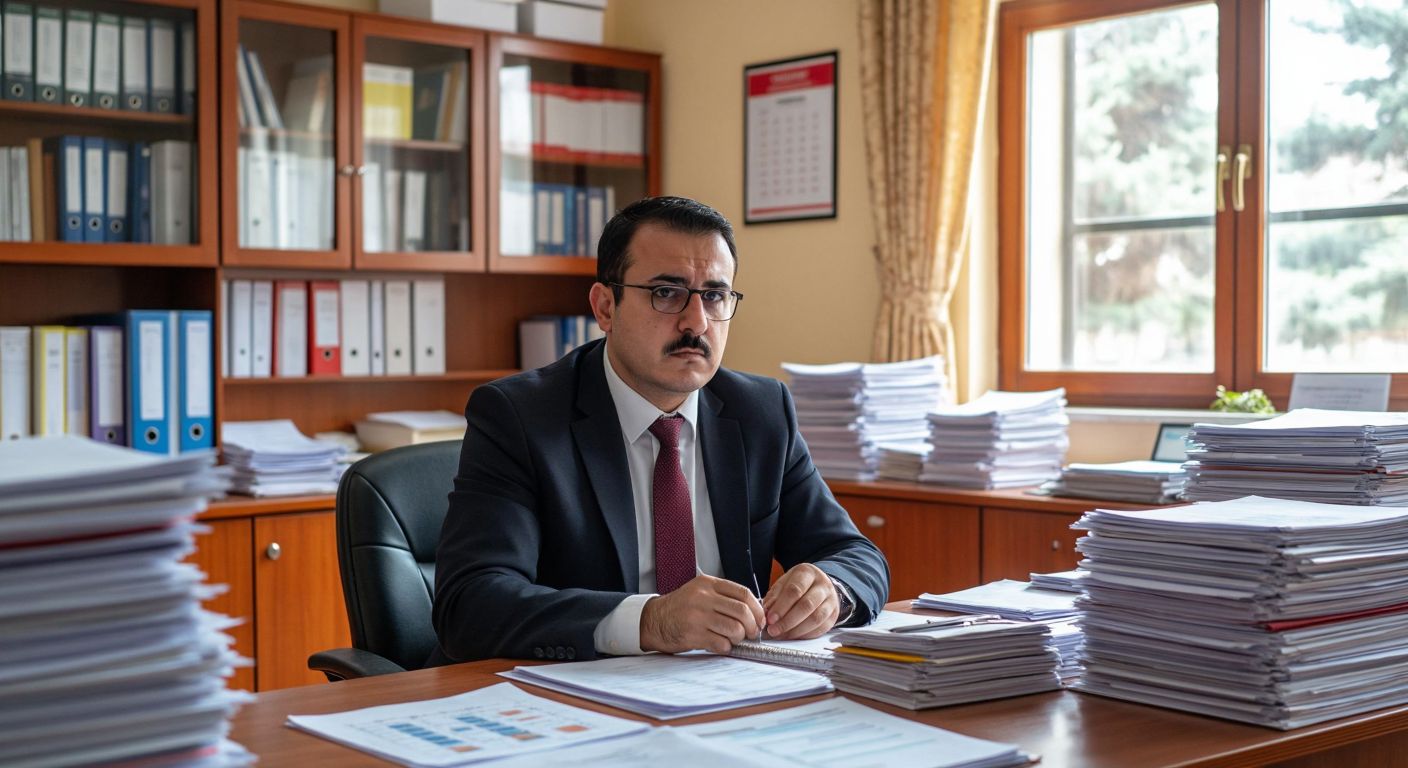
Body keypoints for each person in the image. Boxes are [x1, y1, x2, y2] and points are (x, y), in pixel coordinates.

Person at [430, 196, 888, 664]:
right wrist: (650, 621)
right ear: (605, 307)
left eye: (714, 295)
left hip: (726, 686)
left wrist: (831, 591)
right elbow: (470, 604)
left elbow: (856, 555)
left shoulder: (761, 411)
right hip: (571, 690)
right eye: (666, 293)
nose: (697, 322)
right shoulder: (520, 416)